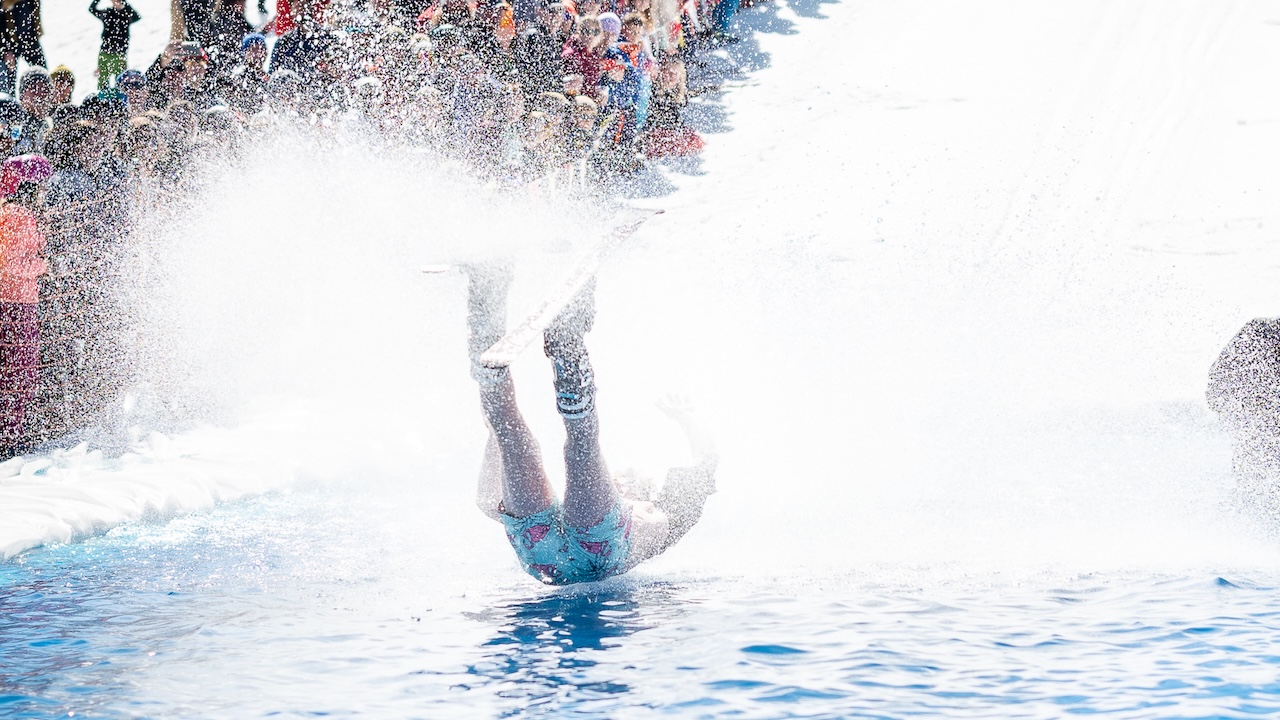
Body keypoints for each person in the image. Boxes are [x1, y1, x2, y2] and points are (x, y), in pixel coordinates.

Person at [464, 262, 716, 585]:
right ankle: (564, 338)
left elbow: (489, 498)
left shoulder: (654, 511)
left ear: (642, 492)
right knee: (562, 445)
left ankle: (487, 295)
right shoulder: (661, 514)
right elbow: (708, 462)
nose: (619, 478)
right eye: (621, 477)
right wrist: (689, 418)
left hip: (560, 549)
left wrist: (497, 426)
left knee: (527, 438)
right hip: (564, 553)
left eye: (626, 478)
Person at [0, 152, 50, 457]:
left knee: (14, 370)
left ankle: (9, 434)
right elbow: (11, 265)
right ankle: (8, 437)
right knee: (20, 371)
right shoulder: (18, 215)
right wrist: (43, 266)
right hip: (15, 301)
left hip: (14, 299)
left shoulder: (12, 213)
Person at [1207, 317, 1280, 517]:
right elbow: (1216, 390)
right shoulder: (1259, 331)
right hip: (1257, 434)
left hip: (1257, 434)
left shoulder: (1259, 331)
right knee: (1256, 496)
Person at [89, 0, 140, 92]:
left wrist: (124, 3)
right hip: (105, 52)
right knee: (103, 82)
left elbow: (137, 17)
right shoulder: (107, 13)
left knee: (121, 82)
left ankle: (119, 102)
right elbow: (92, 9)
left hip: (120, 54)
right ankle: (103, 101)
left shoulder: (126, 14)